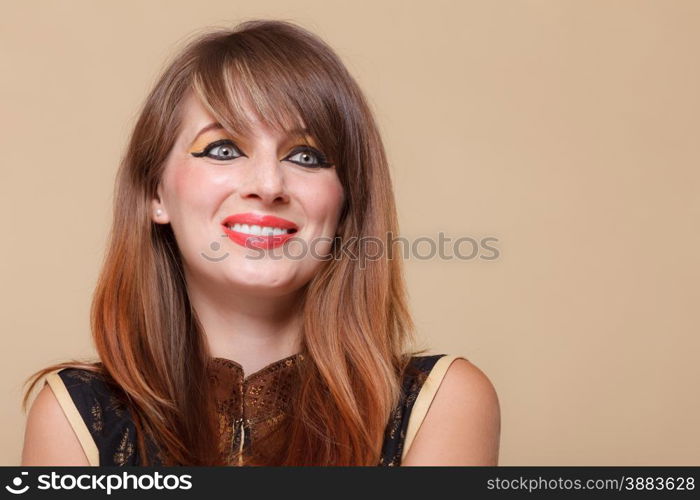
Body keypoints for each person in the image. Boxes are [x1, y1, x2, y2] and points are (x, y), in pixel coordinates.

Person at [20, 19, 500, 466]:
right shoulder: (75, 415)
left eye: (307, 156)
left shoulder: (441, 403)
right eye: (224, 149)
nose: (269, 184)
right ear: (155, 193)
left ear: (345, 203)